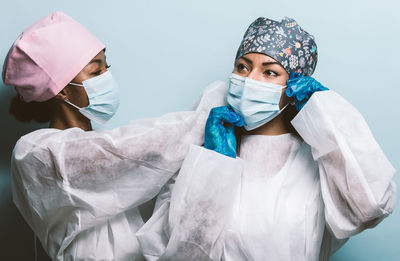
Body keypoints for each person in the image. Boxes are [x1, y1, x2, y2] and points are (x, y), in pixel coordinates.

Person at [135, 17, 397, 261]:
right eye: (242, 67)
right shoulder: (208, 151)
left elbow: (369, 207)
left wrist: (328, 112)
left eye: (270, 72)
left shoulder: (316, 162)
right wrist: (212, 167)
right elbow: (172, 250)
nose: (250, 80)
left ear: (295, 85)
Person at [3, 11, 225, 261]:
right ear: (62, 90)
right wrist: (209, 110)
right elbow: (145, 149)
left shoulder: (105, 153)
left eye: (106, 68)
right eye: (96, 72)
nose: (107, 78)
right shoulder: (35, 152)